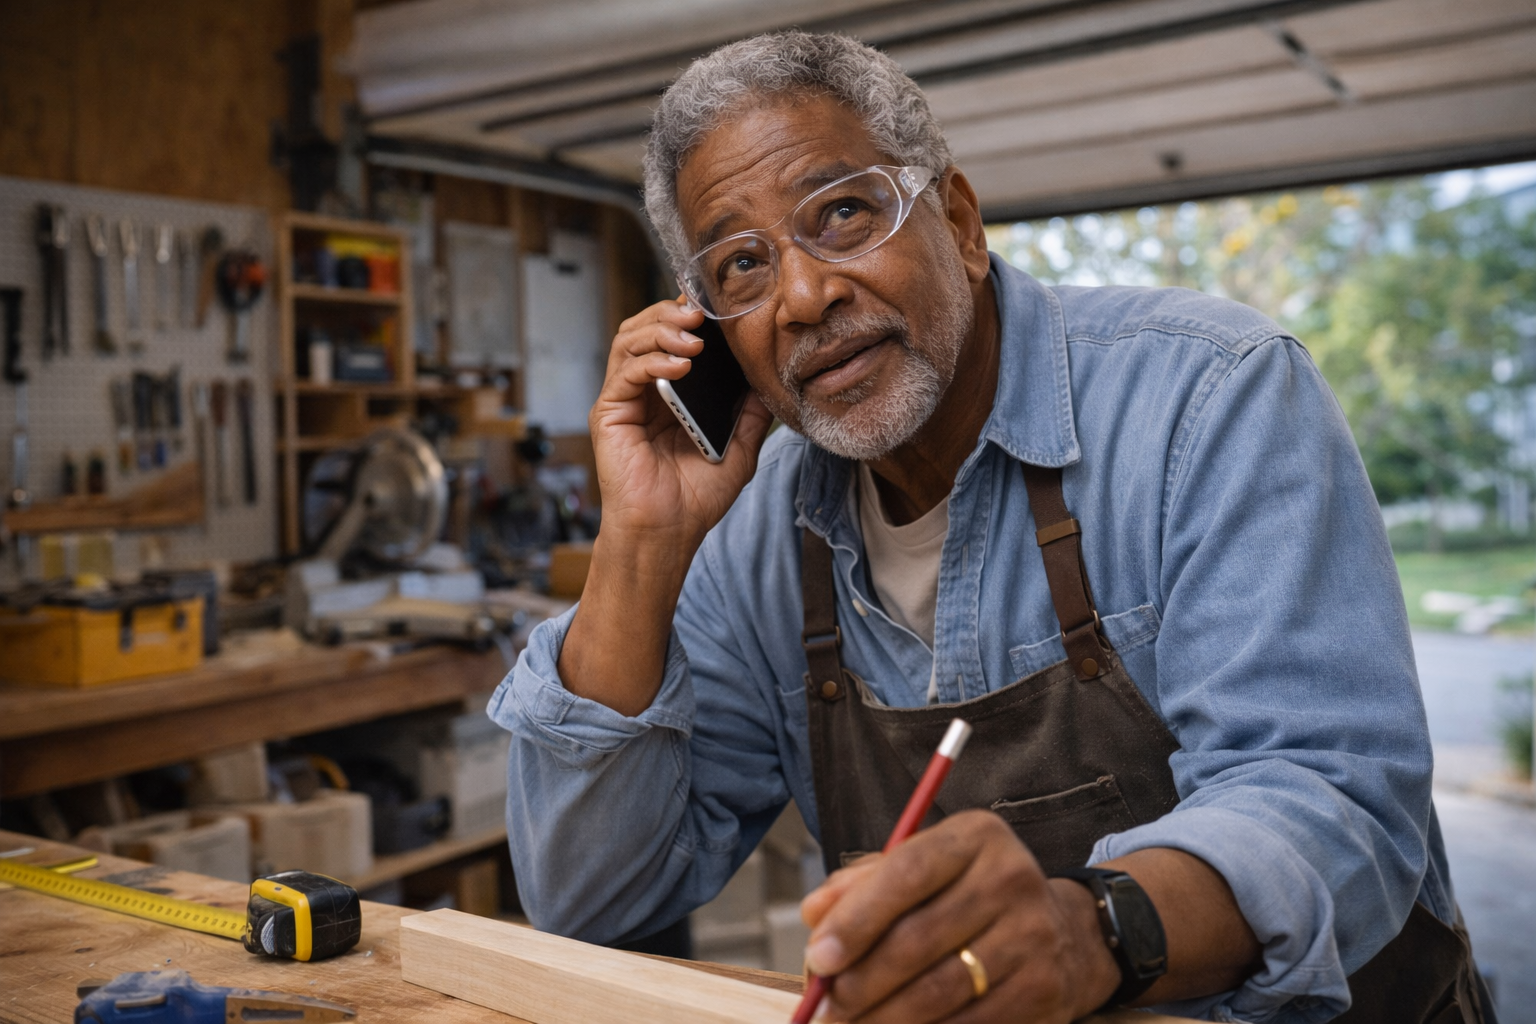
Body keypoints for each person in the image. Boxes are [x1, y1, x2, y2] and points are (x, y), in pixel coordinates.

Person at [489, 31, 1491, 1024]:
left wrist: (1089, 933)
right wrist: (643, 541)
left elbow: (1332, 802)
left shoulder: (1213, 396)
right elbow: (592, 904)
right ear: (712, 330)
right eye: (742, 265)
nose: (805, 295)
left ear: (962, 223)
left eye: (842, 212)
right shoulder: (756, 528)